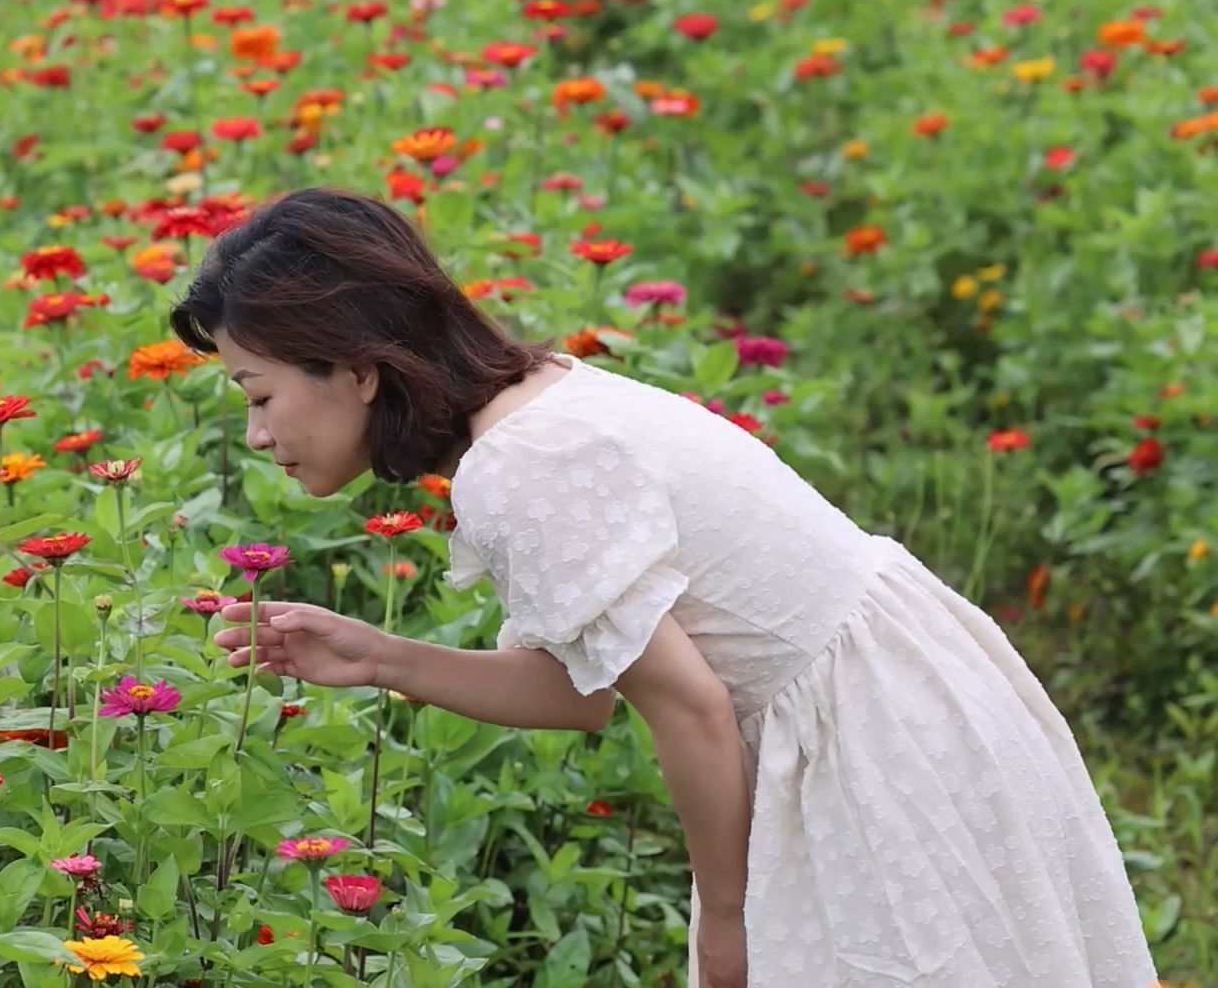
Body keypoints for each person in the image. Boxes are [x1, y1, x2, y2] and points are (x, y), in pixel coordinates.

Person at [169, 186, 1158, 988]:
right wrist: (382, 655)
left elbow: (689, 710)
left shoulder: (518, 467)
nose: (258, 435)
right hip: (906, 706)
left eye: (259, 395)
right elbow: (594, 689)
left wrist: (725, 929)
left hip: (870, 750)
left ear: (355, 369)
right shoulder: (543, 399)